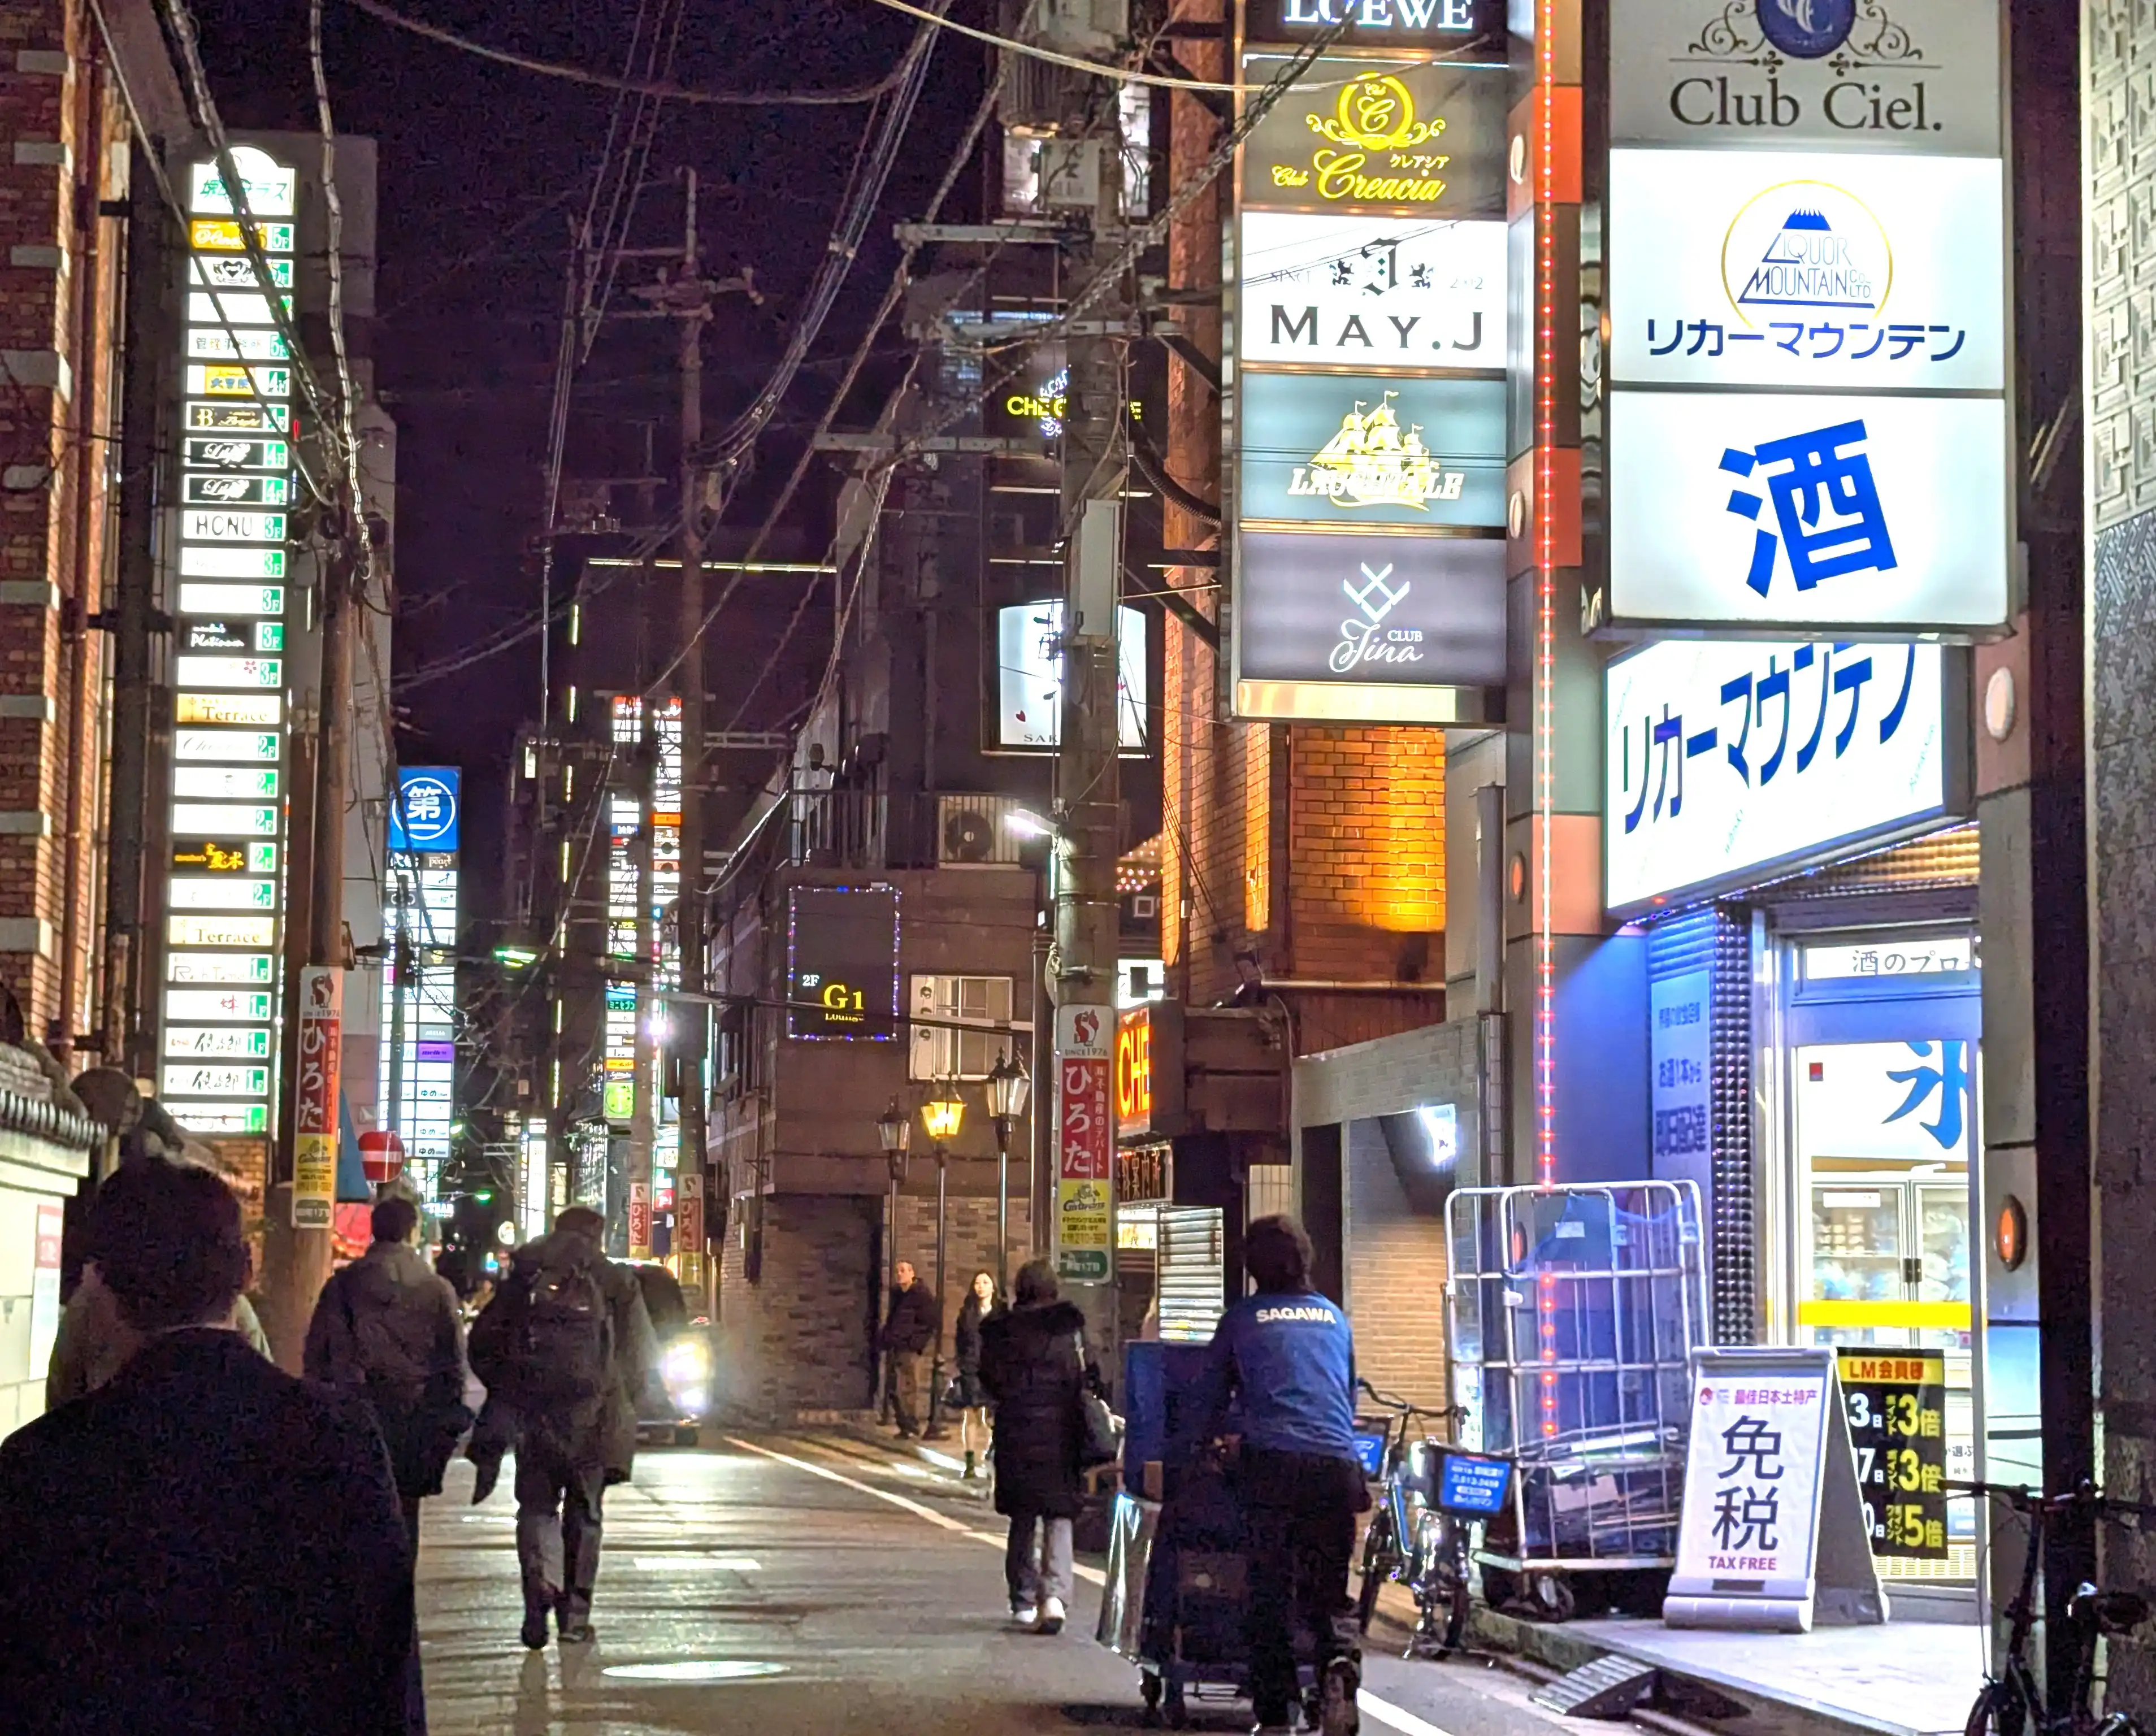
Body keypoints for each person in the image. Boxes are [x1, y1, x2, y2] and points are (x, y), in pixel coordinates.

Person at [0, 1157, 413, 1735]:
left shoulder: (39, 1464)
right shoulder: (340, 1439)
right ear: (245, 1270)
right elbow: (385, 1670)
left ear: (103, 1285)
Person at [1195, 1214, 1365, 1736]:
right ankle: (1338, 1662)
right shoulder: (1334, 1318)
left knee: (1270, 1591)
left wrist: (1211, 1445)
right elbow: (1346, 1397)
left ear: (1253, 1267)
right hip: (1337, 1466)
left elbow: (1209, 1396)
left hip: (1273, 1466)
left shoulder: (1242, 1319)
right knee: (1328, 1589)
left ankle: (1275, 1715)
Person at [468, 1204, 660, 1649]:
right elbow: (641, 1355)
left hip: (535, 1415)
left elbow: (485, 1342)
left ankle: (539, 1591)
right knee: (585, 1513)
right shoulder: (613, 1280)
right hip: (593, 1417)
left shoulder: (526, 1273)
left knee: (536, 1507)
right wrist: (620, 1401)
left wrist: (510, 1388)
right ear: (598, 1235)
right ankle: (574, 1618)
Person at [306, 1192, 472, 1550]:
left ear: (374, 1230)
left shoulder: (344, 1285)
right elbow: (453, 1361)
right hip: (416, 1415)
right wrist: (449, 1414)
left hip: (357, 1413)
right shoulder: (436, 1289)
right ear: (413, 1232)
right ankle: (401, 1579)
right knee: (406, 1511)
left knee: (356, 1512)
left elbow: (318, 1354)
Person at [978, 1257, 1088, 1635]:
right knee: (1058, 1514)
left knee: (1022, 1516)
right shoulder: (1068, 1329)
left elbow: (989, 1379)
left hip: (1016, 1431)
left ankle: (1023, 1600)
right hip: (1061, 1431)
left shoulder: (1002, 1332)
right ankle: (1055, 1596)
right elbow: (1083, 1379)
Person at [878, 1258, 939, 1439]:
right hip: (895, 1346)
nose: (900, 1274)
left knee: (908, 1387)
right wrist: (886, 1339)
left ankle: (911, 1424)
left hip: (909, 1349)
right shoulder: (898, 1294)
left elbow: (929, 1324)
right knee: (893, 1388)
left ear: (912, 1273)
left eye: (904, 1271)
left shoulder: (921, 1295)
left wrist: (915, 1343)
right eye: (898, 1271)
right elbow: (893, 1319)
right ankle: (904, 1425)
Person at [952, 1269, 1000, 1478]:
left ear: (993, 1287)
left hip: (994, 1369)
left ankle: (992, 1453)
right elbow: (960, 1341)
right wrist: (962, 1363)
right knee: (971, 1414)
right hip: (971, 1368)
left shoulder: (1000, 1313)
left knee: (992, 1417)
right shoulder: (967, 1313)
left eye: (986, 1282)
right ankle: (970, 1462)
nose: (981, 1287)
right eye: (978, 1283)